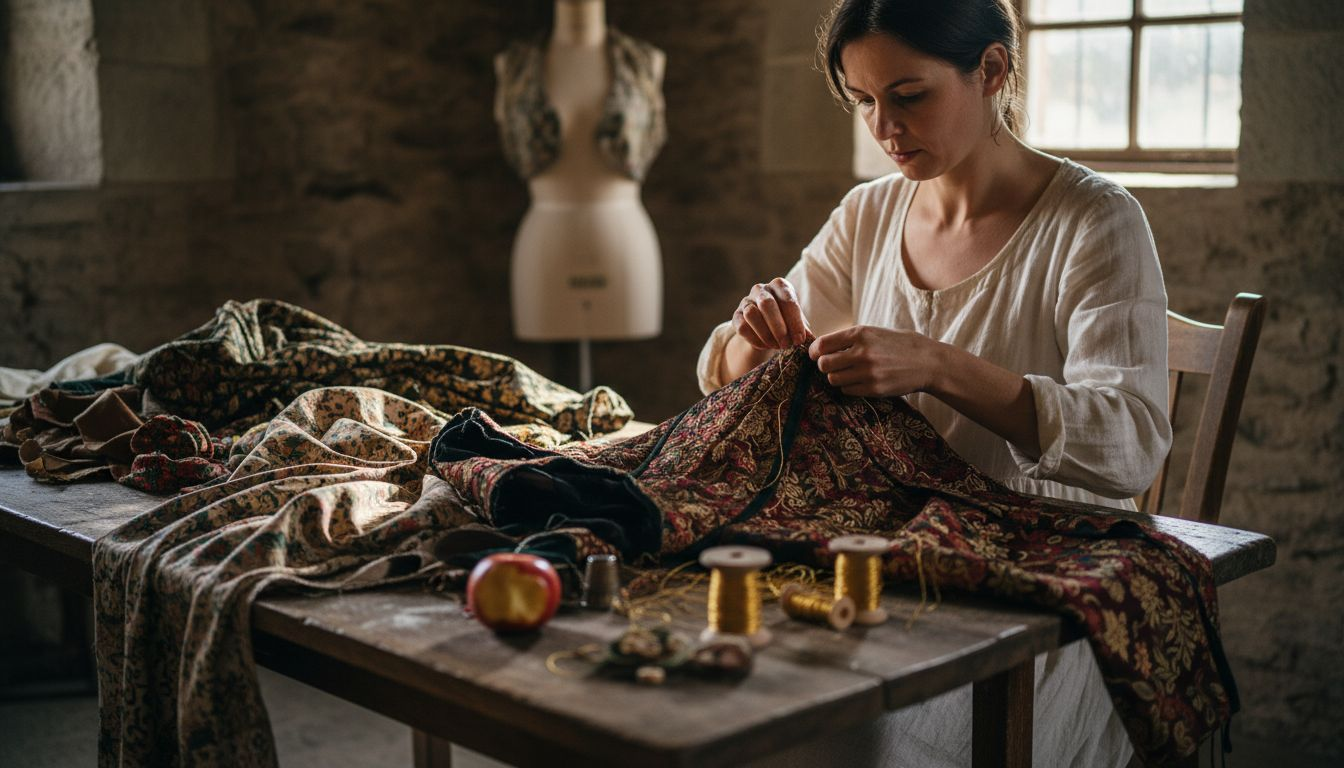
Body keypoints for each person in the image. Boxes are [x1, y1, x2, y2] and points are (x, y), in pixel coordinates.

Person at [696, 0, 1170, 765]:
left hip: (1033, 583)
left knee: (856, 735)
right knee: (730, 688)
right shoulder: (870, 213)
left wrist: (939, 365)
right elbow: (723, 372)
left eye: (908, 96)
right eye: (865, 103)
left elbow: (1132, 444)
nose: (885, 128)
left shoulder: (1095, 221)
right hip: (891, 551)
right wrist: (756, 347)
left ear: (991, 71)